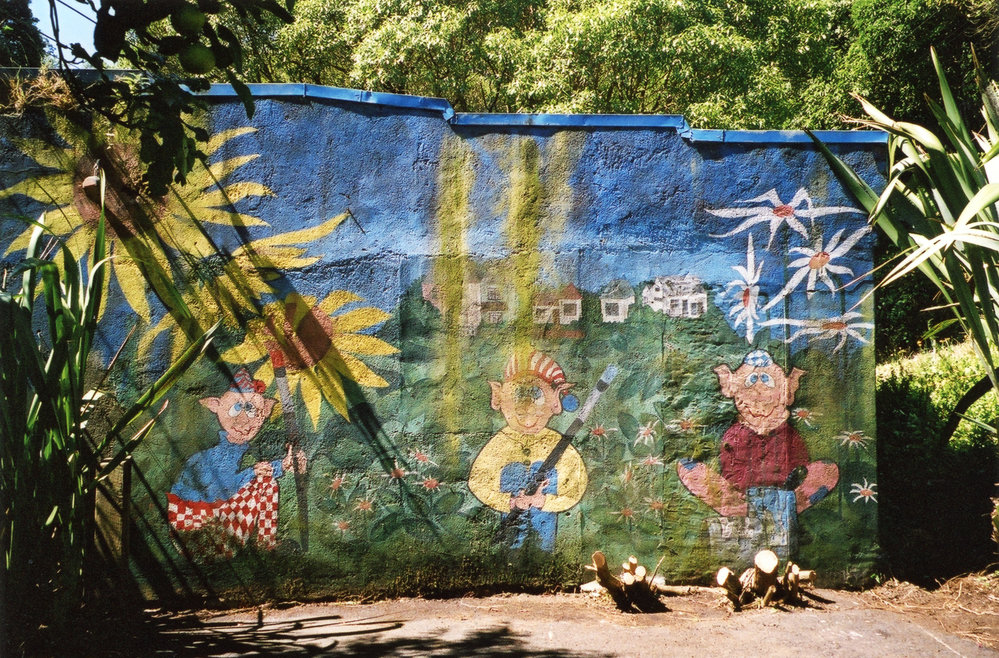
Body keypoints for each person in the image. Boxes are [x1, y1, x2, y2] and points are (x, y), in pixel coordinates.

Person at [676, 350, 838, 557]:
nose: (759, 390)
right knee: (693, 472)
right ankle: (737, 506)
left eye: (767, 382)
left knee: (827, 470)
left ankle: (779, 504)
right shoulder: (736, 434)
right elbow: (729, 469)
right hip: (743, 496)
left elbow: (800, 465)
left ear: (783, 395)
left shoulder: (788, 434)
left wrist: (789, 483)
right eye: (752, 382)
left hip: (783, 496)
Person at [167, 367, 305, 557]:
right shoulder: (209, 457)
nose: (243, 421)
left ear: (265, 411)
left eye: (251, 410)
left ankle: (265, 544)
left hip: (216, 534)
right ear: (215, 405)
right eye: (236, 408)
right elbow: (221, 489)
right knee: (266, 482)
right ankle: (266, 544)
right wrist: (255, 472)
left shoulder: (242, 452)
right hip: (194, 534)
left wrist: (283, 464)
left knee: (266, 481)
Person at [468, 349, 587, 551]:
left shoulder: (559, 444)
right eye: (518, 398)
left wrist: (546, 501)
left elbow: (576, 485)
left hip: (545, 535)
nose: (528, 413)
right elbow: (478, 481)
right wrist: (509, 502)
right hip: (510, 534)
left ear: (555, 402)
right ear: (498, 397)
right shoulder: (500, 443)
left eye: (537, 398)